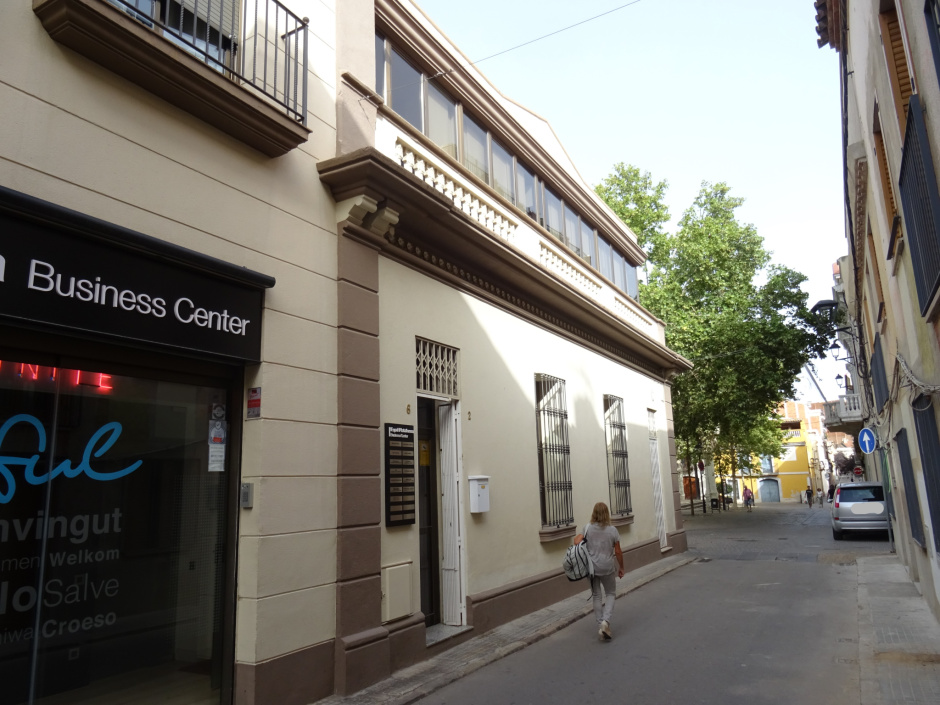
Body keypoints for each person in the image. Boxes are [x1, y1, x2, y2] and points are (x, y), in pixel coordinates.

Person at [580, 502, 624, 641]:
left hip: (591, 568)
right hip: (607, 567)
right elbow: (617, 551)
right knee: (610, 593)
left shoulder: (587, 528)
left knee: (596, 596)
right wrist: (622, 567)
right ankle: (606, 622)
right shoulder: (613, 530)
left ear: (594, 513)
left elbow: (577, 542)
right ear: (607, 513)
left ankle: (600, 625)